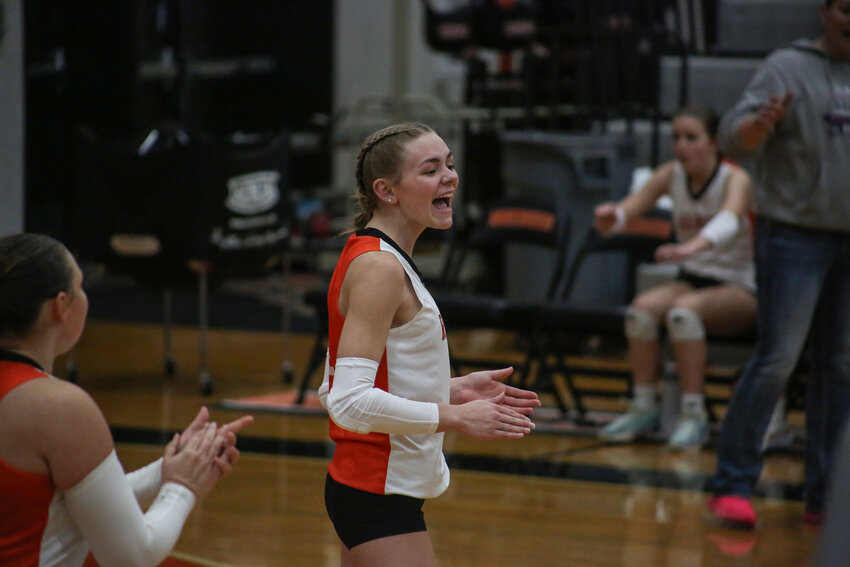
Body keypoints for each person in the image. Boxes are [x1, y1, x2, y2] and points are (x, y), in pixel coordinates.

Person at [317, 122, 541, 567]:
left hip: (375, 488)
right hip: (375, 491)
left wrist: (448, 388)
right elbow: (347, 401)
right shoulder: (379, 268)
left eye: (451, 165)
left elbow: (332, 386)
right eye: (431, 169)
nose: (450, 177)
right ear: (388, 191)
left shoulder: (377, 256)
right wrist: (453, 416)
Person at [0, 232, 254, 567]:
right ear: (60, 307)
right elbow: (132, 557)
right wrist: (183, 488)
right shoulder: (56, 407)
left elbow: (64, 506)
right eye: (81, 287)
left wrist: (167, 471)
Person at [706, 0, 850, 528]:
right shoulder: (786, 66)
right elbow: (733, 138)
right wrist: (761, 126)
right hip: (793, 235)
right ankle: (733, 484)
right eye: (845, 9)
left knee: (841, 368)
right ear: (825, 12)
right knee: (777, 361)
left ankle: (828, 496)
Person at [593, 104, 757, 450]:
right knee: (641, 310)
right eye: (676, 137)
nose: (681, 145)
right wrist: (613, 218)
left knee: (683, 312)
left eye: (691, 137)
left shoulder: (736, 178)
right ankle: (644, 406)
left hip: (739, 287)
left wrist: (689, 247)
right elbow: (632, 207)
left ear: (714, 142)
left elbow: (727, 222)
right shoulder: (671, 174)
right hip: (693, 279)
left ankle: (694, 415)